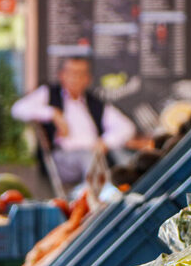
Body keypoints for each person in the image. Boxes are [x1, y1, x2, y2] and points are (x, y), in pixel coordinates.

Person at [11, 57, 138, 188]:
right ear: (62, 75)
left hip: (96, 155)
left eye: (80, 74)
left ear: (88, 79)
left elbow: (126, 127)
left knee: (123, 156)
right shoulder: (49, 94)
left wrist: (105, 143)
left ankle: (133, 191)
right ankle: (95, 198)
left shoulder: (94, 103)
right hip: (63, 158)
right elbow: (18, 109)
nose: (75, 78)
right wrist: (54, 114)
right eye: (71, 73)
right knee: (87, 157)